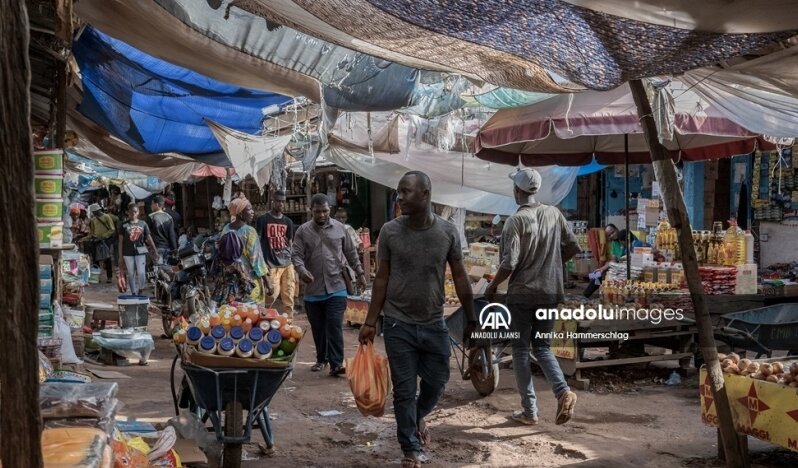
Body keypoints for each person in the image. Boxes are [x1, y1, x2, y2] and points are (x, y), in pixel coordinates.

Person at [358, 171, 476, 468]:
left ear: (425, 193)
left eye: (405, 192)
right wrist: (371, 321)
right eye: (398, 192)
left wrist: (472, 317)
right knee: (404, 389)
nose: (399, 198)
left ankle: (417, 415)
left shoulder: (447, 232)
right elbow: (381, 277)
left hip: (433, 322)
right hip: (398, 323)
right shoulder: (389, 231)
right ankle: (410, 447)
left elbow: (460, 276)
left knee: (437, 382)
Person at [484, 168, 581, 428]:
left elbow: (509, 262)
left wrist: (493, 287)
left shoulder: (516, 221)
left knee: (520, 350)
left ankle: (529, 410)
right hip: (550, 292)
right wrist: (552, 265)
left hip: (523, 295)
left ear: (517, 191)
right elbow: (573, 246)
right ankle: (563, 392)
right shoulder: (554, 213)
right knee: (542, 348)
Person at [292, 194, 366, 376]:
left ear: (329, 210)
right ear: (311, 211)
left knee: (334, 325)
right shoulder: (302, 231)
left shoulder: (341, 229)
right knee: (318, 328)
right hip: (313, 289)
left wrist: (361, 273)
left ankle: (335, 364)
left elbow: (351, 253)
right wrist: (302, 271)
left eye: (325, 211)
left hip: (337, 286)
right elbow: (296, 256)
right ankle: (321, 359)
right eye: (318, 211)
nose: (322, 215)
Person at [210, 196, 273, 305]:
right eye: (249, 209)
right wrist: (268, 283)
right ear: (240, 214)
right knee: (251, 317)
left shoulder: (226, 229)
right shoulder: (250, 232)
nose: (252, 212)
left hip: (230, 286)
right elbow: (257, 260)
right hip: (248, 284)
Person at [256, 191, 297, 317]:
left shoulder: (288, 222)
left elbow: (289, 242)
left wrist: (293, 262)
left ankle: (289, 322)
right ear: (272, 201)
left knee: (289, 294)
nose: (280, 204)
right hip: (271, 264)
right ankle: (262, 317)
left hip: (287, 263)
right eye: (278, 201)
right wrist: (262, 264)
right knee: (271, 294)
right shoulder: (263, 220)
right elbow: (257, 242)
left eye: (283, 201)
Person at [583, 224, 636, 298]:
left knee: (600, 276)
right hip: (617, 269)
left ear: (616, 229)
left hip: (627, 269)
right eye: (609, 235)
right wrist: (602, 269)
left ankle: (587, 295)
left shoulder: (625, 239)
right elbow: (613, 261)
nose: (611, 236)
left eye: (612, 232)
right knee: (595, 275)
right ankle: (585, 295)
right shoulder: (614, 244)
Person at [117, 203, 158, 295]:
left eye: (135, 212)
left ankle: (141, 288)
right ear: (128, 213)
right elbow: (121, 242)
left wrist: (155, 250)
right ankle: (133, 292)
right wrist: (120, 257)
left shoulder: (143, 224)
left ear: (138, 212)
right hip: (127, 253)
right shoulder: (123, 225)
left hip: (140, 252)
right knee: (131, 273)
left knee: (141, 272)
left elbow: (149, 238)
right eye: (131, 212)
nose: (133, 214)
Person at [88, 203, 117, 284]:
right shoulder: (93, 220)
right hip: (96, 240)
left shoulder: (106, 217)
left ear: (97, 211)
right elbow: (92, 231)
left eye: (94, 212)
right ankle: (96, 277)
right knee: (95, 260)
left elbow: (112, 229)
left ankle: (109, 277)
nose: (93, 214)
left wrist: (103, 236)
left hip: (105, 240)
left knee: (107, 259)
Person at [147, 195, 178, 262]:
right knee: (167, 269)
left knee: (158, 270)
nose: (151, 206)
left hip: (156, 249)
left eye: (152, 204)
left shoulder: (151, 218)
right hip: (168, 249)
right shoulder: (169, 217)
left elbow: (147, 235)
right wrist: (174, 249)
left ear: (157, 204)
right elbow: (172, 235)